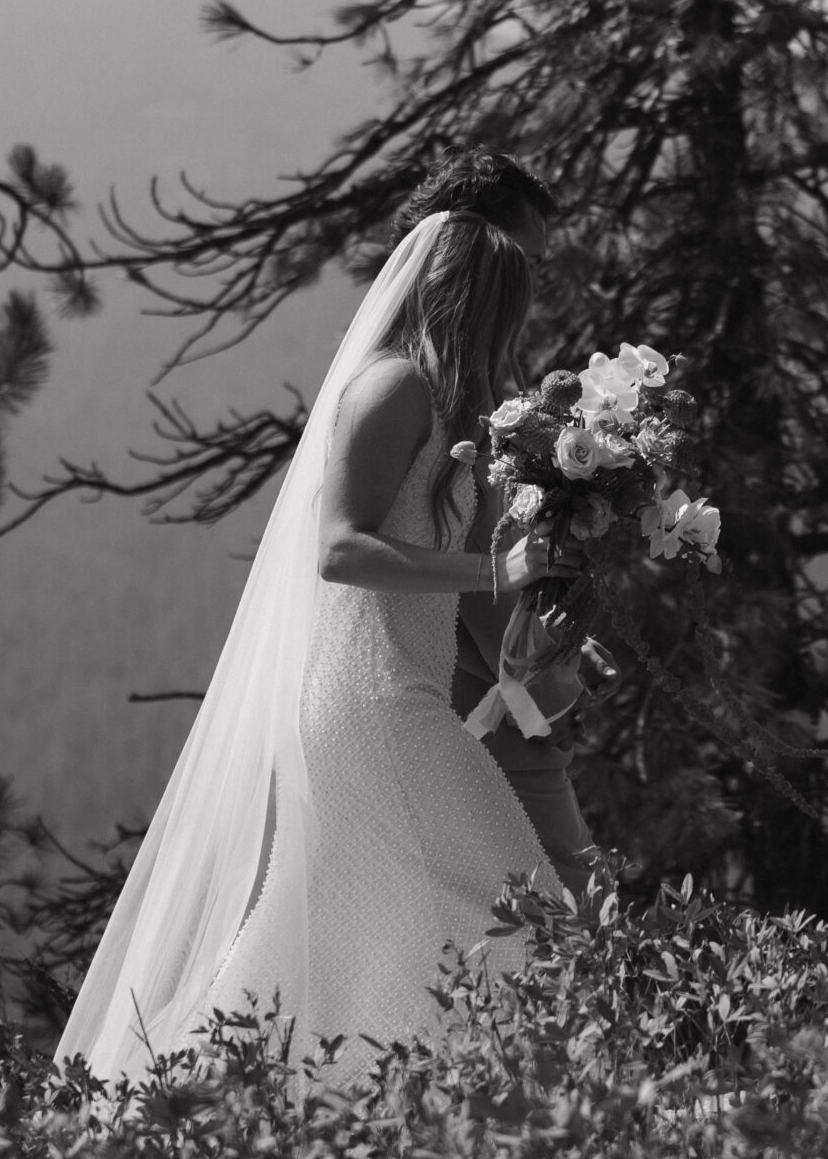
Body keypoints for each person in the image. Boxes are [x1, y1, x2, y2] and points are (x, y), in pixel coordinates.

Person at [55, 152, 592, 1087]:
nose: (526, 313)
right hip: (371, 704)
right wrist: (490, 563)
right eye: (517, 289)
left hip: (396, 695)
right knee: (525, 910)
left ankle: (256, 1106)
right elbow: (337, 549)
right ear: (475, 287)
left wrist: (536, 629)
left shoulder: (445, 401)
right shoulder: (395, 389)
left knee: (372, 946)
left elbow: (439, 573)